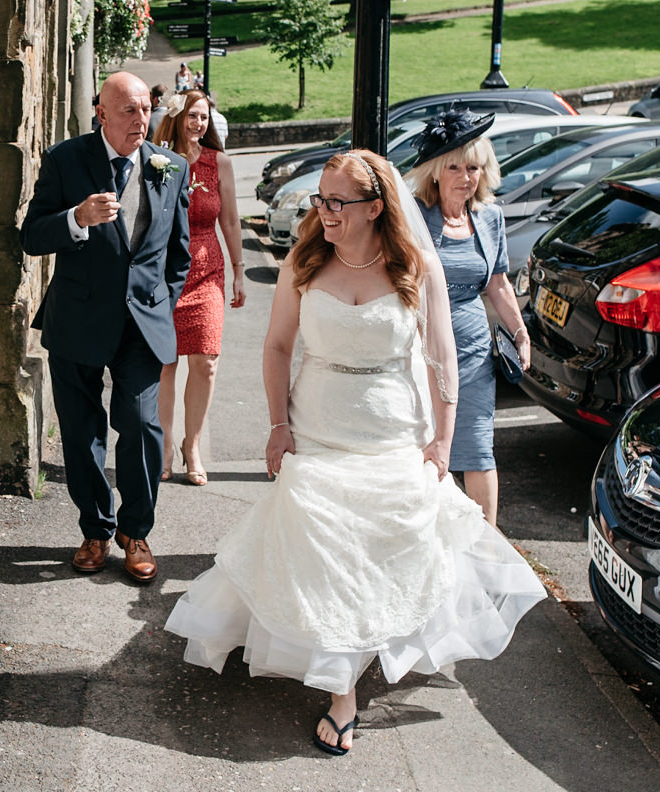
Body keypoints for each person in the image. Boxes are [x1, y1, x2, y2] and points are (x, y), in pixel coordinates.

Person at [165, 150, 544, 754]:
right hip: (317, 428)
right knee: (327, 545)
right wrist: (277, 425)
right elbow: (277, 347)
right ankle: (342, 693)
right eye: (321, 198)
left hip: (393, 431)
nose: (325, 210)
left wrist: (442, 441)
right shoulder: (304, 260)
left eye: (338, 201)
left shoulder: (415, 265)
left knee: (382, 549)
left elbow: (442, 358)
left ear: (375, 207)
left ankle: (362, 656)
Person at [20, 72, 193, 584]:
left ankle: (135, 532)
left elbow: (178, 255)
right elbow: (32, 236)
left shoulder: (171, 166)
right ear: (101, 113)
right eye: (128, 111)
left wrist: (160, 305)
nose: (141, 120)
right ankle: (95, 529)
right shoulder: (65, 160)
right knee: (81, 431)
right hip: (78, 318)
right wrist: (76, 218)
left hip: (143, 324)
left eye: (146, 110)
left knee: (140, 426)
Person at [407, 110, 531, 527]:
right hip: (420, 348)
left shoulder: (490, 218)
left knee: (478, 449)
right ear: (435, 171)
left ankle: (486, 545)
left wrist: (519, 331)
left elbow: (498, 283)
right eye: (454, 168)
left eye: (473, 168)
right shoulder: (413, 216)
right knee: (423, 444)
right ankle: (429, 535)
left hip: (474, 350)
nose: (465, 177)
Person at [151, 90, 246, 484]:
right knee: (165, 364)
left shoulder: (218, 162)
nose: (198, 123)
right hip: (164, 272)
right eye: (192, 115)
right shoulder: (157, 159)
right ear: (178, 118)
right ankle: (164, 445)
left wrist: (239, 270)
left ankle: (192, 445)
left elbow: (231, 221)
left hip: (208, 271)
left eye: (204, 117)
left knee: (205, 362)